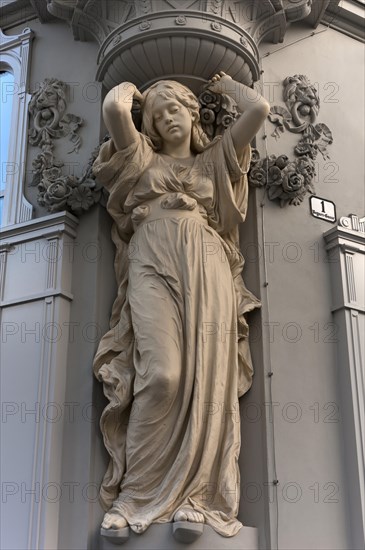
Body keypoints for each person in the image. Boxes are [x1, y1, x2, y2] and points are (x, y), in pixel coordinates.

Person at [92, 72, 269, 538]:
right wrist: (134, 91)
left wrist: (226, 85)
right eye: (158, 114)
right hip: (151, 259)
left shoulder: (215, 159)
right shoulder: (142, 157)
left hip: (207, 265)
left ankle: (199, 496)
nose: (168, 117)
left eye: (176, 108)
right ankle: (134, 496)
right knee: (162, 374)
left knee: (208, 381)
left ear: (193, 113)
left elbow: (258, 110)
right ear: (149, 126)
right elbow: (114, 110)